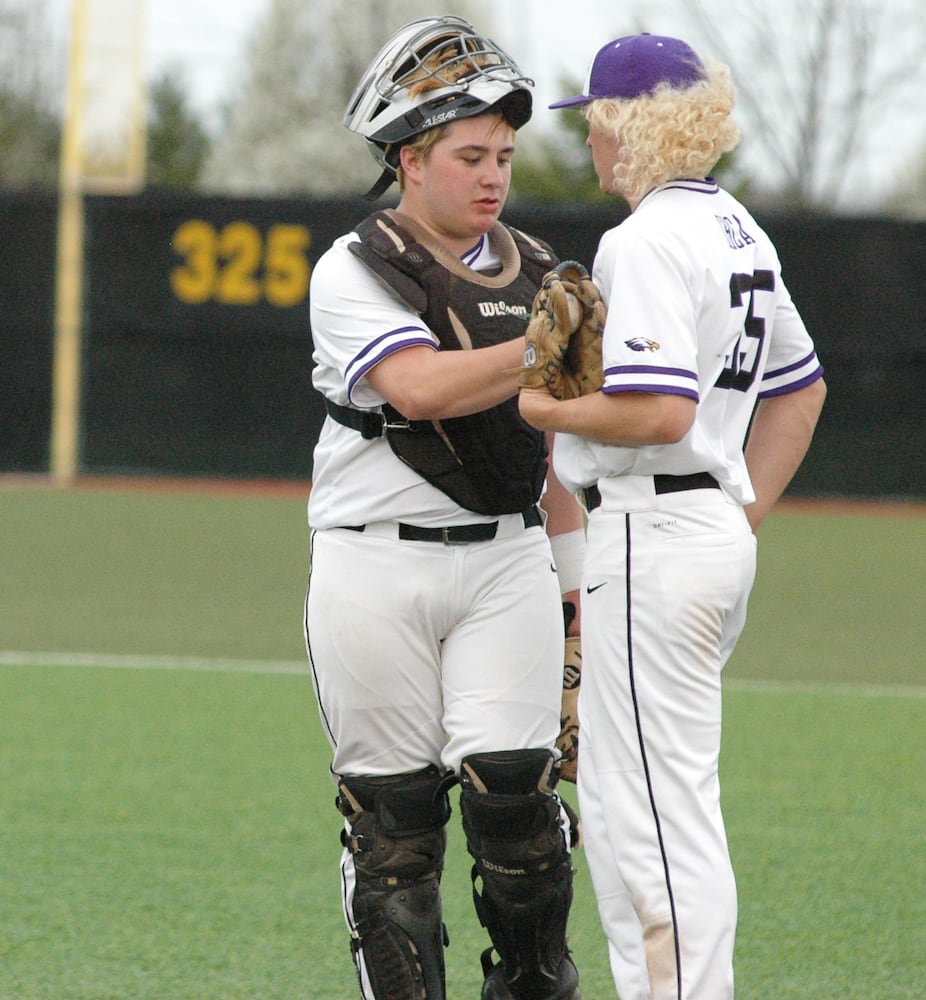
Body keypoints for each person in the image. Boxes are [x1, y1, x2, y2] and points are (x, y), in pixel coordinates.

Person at [518, 33, 827, 1000]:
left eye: (597, 123)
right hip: (695, 534)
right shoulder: (740, 229)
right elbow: (801, 390)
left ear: (628, 123)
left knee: (652, 821)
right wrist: (738, 517)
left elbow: (658, 413)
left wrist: (542, 407)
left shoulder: (645, 238)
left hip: (653, 536)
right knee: (636, 809)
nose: (591, 145)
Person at [303, 16, 585, 1000]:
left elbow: (548, 447)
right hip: (371, 564)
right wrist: (541, 343)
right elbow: (419, 390)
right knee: (393, 827)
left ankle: (533, 986)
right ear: (410, 160)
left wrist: (573, 600)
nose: (492, 174)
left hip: (504, 558)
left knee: (517, 803)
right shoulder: (353, 267)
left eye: (504, 154)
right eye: (469, 153)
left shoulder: (540, 268)